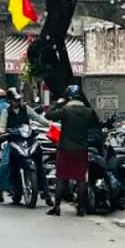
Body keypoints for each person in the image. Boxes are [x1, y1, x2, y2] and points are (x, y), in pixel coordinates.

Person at [46, 85, 100, 217]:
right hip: (81, 149)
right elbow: (95, 123)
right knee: (81, 179)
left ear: (68, 98)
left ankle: (57, 207)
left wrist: (56, 104)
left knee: (61, 178)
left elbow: (49, 115)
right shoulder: (88, 112)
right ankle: (81, 208)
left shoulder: (65, 110)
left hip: (65, 149)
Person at [0, 87, 53, 205]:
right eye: (14, 100)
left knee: (40, 164)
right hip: (13, 142)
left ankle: (46, 192)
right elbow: (2, 126)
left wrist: (50, 125)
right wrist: (2, 133)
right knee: (5, 165)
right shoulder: (6, 112)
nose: (17, 102)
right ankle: (0, 192)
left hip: (29, 140)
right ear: (10, 101)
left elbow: (38, 118)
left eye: (18, 100)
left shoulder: (26, 109)